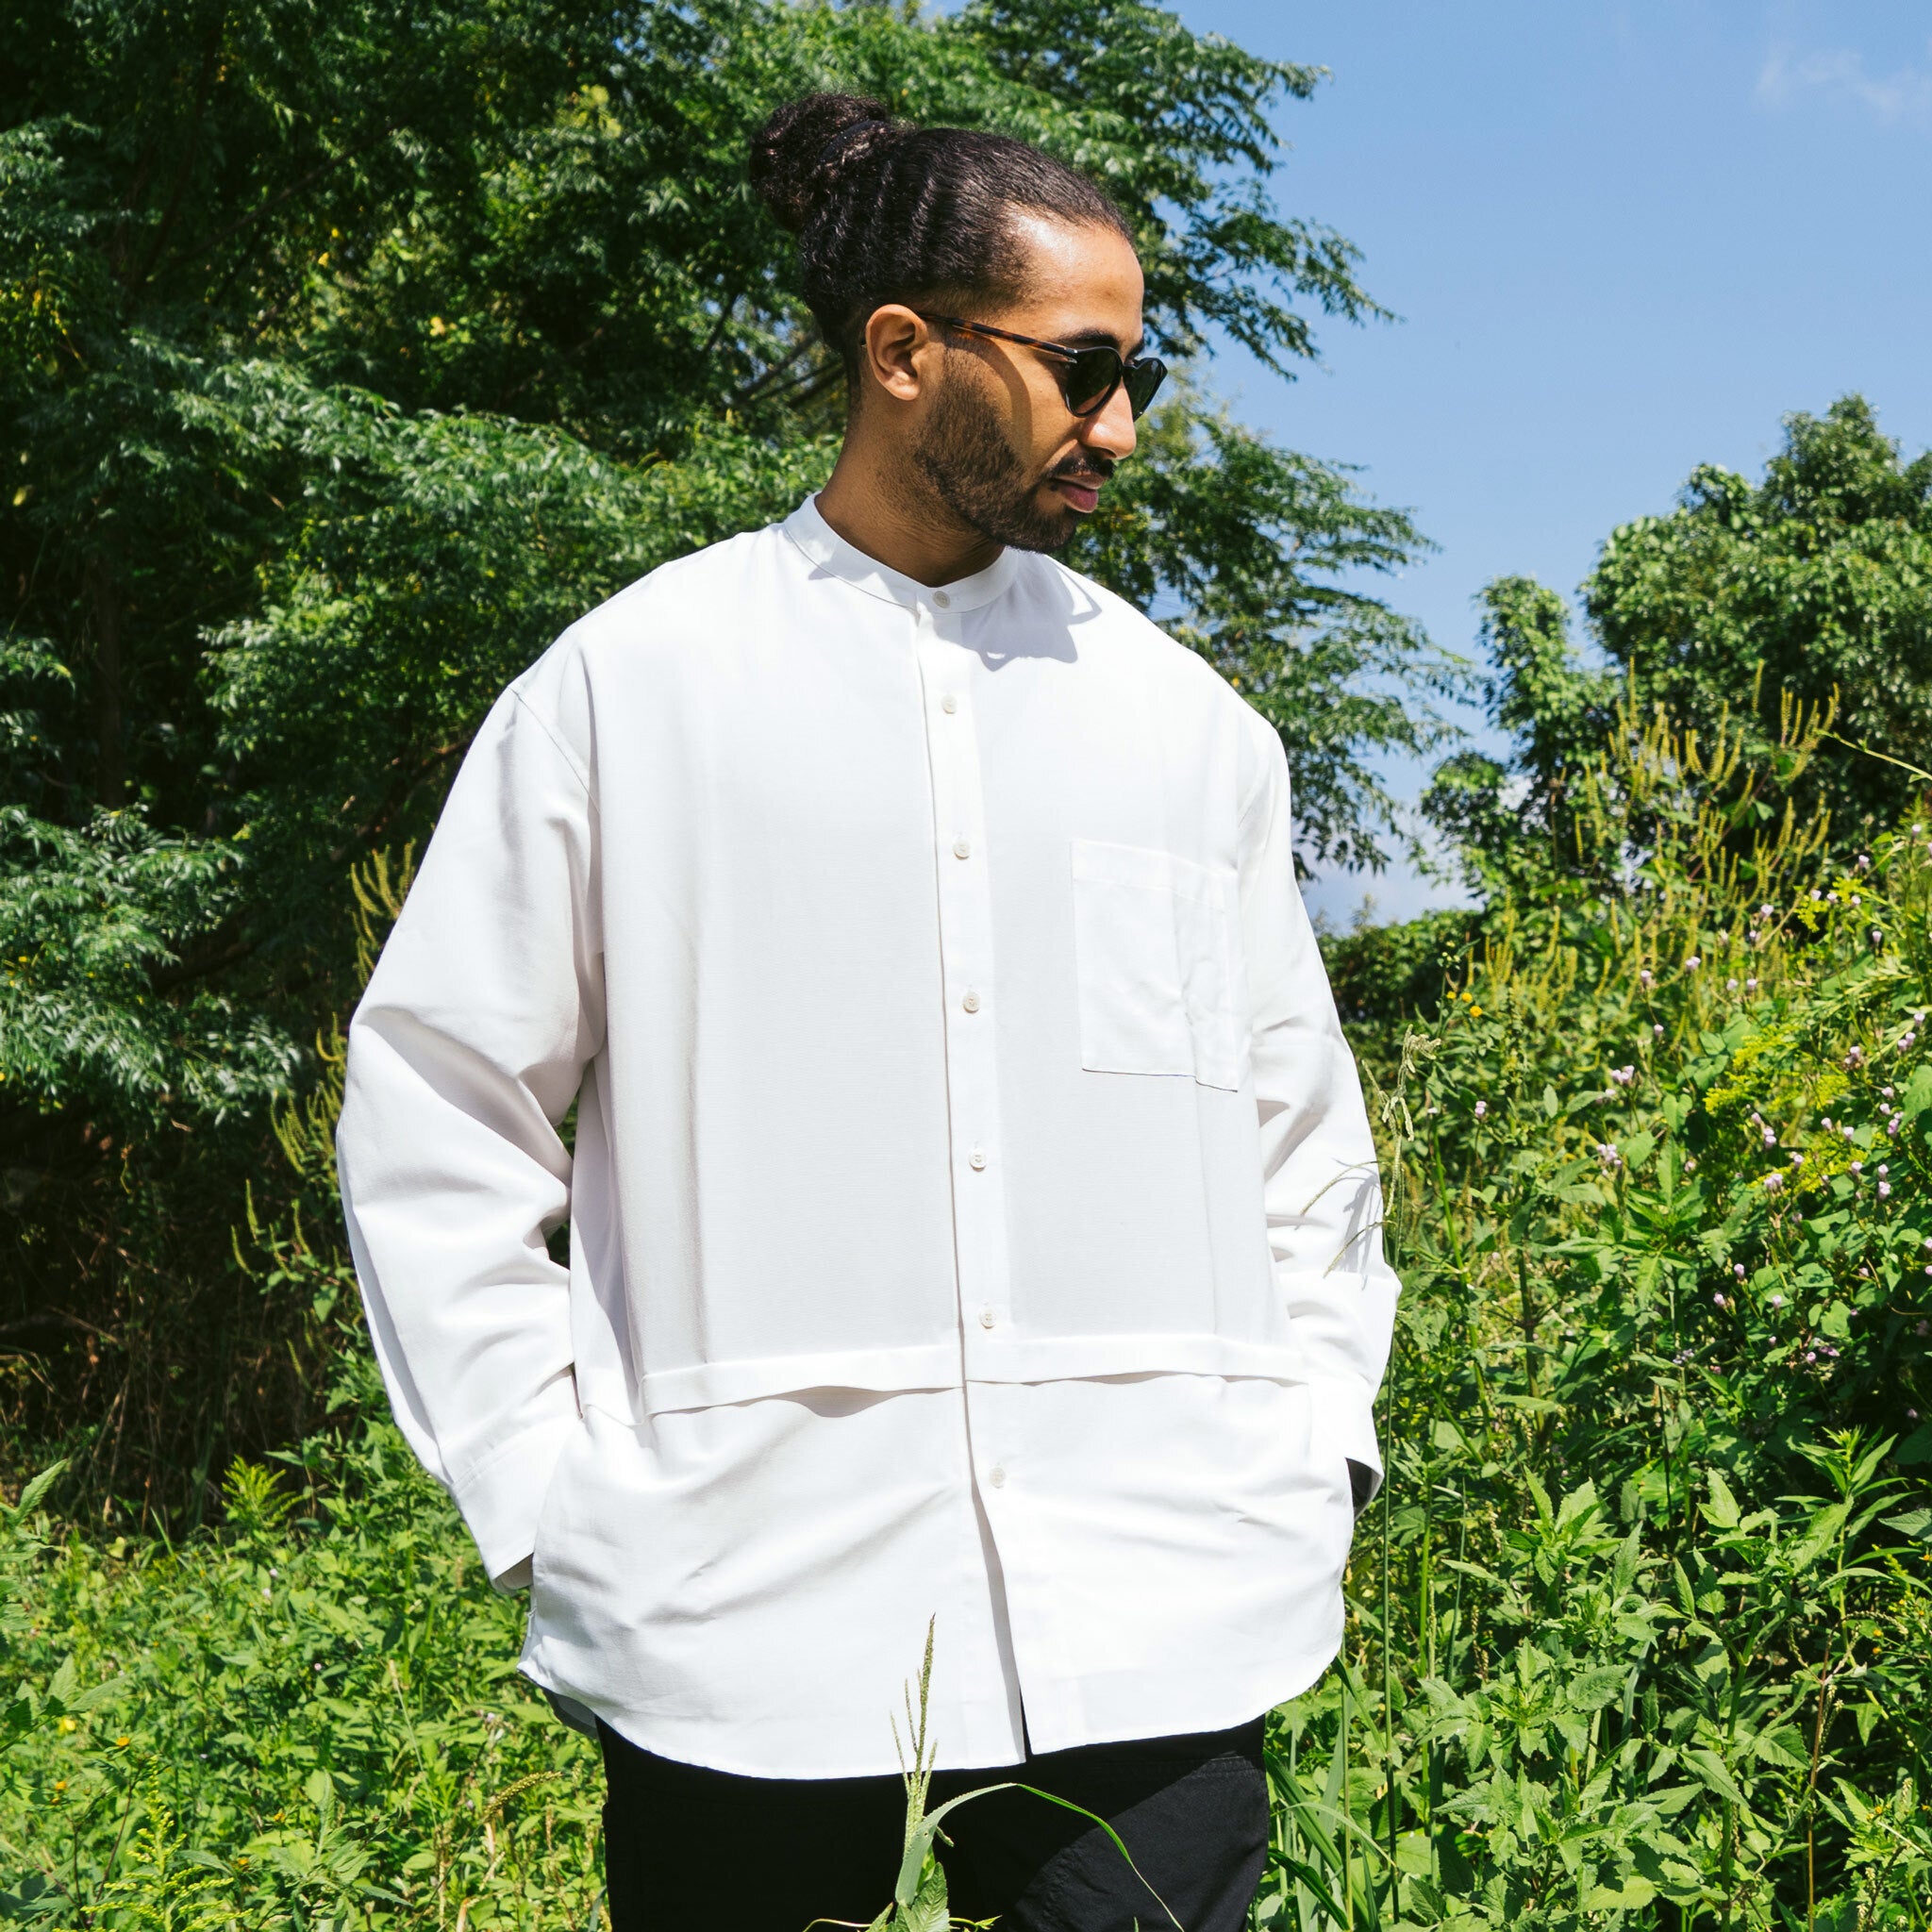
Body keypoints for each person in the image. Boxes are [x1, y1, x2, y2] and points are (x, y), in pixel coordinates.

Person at [337, 91, 1398, 1932]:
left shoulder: (1185, 730)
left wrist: (1317, 1445)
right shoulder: (633, 690)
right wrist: (543, 1494)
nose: (1119, 427)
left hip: (1160, 1595)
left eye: (1137, 374)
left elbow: (1297, 1136)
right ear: (902, 352)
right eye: (1081, 369)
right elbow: (440, 1105)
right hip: (739, 1609)